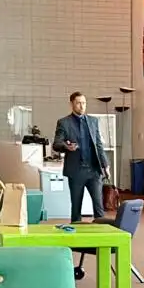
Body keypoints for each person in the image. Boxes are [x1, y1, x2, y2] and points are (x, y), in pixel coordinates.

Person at [52, 92, 109, 223]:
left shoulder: (93, 121)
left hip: (94, 170)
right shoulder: (64, 123)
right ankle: (76, 233)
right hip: (76, 171)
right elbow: (56, 143)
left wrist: (105, 165)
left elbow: (98, 144)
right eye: (78, 103)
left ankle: (102, 232)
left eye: (84, 103)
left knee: (99, 208)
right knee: (76, 208)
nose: (82, 106)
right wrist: (67, 147)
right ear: (71, 104)